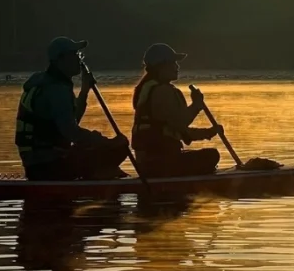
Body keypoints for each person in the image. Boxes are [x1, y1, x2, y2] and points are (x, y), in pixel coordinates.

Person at [15, 36, 130, 181]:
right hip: (48, 165)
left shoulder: (46, 81)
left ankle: (102, 173)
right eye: (75, 55)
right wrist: (103, 141)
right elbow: (71, 132)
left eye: (79, 55)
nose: (79, 60)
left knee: (109, 146)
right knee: (120, 146)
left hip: (39, 162)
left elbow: (72, 119)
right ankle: (100, 177)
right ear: (60, 60)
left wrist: (85, 89)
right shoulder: (56, 89)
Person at [131, 43, 223, 177]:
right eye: (173, 63)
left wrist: (209, 132)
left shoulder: (150, 89)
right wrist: (196, 105)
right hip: (159, 164)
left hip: (152, 163)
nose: (177, 67)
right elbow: (181, 124)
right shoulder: (162, 91)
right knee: (212, 155)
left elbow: (180, 131)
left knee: (206, 155)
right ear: (161, 66)